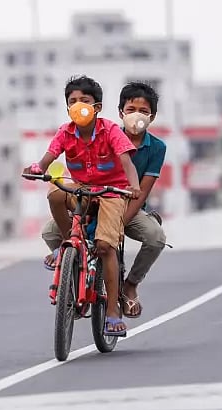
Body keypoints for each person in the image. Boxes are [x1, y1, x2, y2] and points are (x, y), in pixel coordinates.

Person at [22, 75, 142, 336]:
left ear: (97, 107)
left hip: (112, 192)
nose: (78, 106)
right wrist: (36, 169)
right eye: (72, 101)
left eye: (84, 101)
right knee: (55, 193)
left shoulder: (110, 130)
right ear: (67, 108)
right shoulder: (65, 132)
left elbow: (127, 163)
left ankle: (111, 311)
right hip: (82, 190)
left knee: (105, 247)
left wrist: (133, 186)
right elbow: (47, 159)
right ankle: (66, 247)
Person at [40, 81, 168, 320]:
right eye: (131, 110)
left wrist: (120, 222)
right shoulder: (109, 133)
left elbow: (142, 190)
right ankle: (76, 274)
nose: (136, 117)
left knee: (155, 237)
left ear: (152, 116)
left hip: (125, 204)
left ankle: (129, 285)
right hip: (93, 198)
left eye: (143, 111)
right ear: (120, 112)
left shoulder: (156, 147)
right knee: (50, 233)